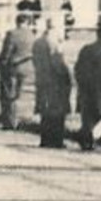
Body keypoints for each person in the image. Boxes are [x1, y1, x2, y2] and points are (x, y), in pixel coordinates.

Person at [30, 19, 73, 148]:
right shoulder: (54, 44)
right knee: (57, 113)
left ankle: (45, 139)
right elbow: (58, 64)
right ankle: (56, 140)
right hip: (55, 82)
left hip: (42, 80)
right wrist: (67, 76)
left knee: (45, 111)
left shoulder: (37, 42)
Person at [74, 20, 101, 151]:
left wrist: (82, 84)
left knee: (89, 117)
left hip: (88, 88)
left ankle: (86, 140)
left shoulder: (87, 49)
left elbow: (78, 69)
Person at [0, 13, 36, 130]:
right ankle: (17, 120)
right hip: (26, 67)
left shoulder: (12, 34)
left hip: (12, 68)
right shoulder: (32, 35)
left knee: (7, 95)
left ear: (17, 22)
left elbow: (6, 53)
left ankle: (9, 122)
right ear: (27, 23)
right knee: (18, 95)